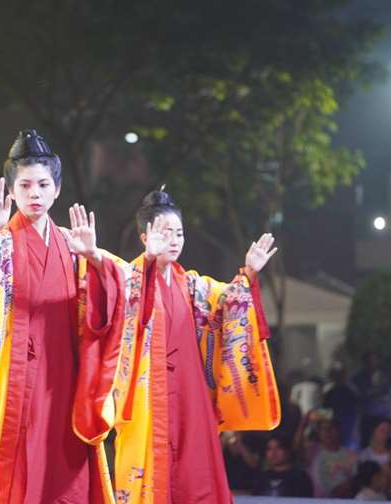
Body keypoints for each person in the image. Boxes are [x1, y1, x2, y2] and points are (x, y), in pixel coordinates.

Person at [0, 130, 127, 503]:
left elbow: (123, 288)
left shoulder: (73, 244)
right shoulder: (0, 241)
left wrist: (95, 257)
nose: (34, 193)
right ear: (11, 191)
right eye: (25, 186)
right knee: (17, 465)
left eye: (42, 184)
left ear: (56, 190)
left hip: (65, 374)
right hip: (13, 375)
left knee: (66, 466)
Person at [110, 189, 281, 503]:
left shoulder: (190, 285)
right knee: (145, 476)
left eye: (179, 233)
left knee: (196, 478)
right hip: (147, 397)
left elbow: (227, 302)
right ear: (144, 236)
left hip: (189, 395)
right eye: (165, 233)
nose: (174, 240)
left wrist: (250, 272)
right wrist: (147, 266)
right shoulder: (126, 279)